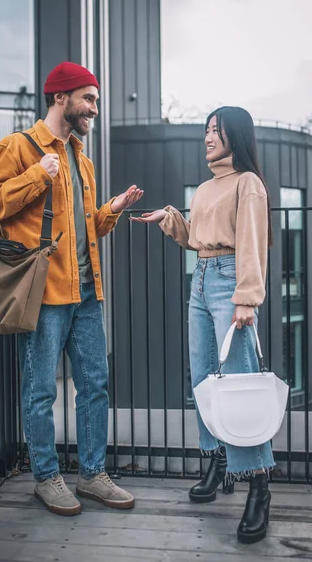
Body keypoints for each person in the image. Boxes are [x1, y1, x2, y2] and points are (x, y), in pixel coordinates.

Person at [0, 61, 143, 516]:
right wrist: (36, 176)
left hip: (86, 294)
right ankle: (47, 478)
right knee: (40, 391)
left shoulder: (82, 161)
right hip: (44, 294)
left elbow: (88, 228)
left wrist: (113, 208)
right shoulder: (18, 147)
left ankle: (91, 475)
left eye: (95, 100)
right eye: (88, 98)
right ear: (60, 98)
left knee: (95, 385)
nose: (93, 108)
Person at [131, 106, 275, 543]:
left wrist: (247, 298)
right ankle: (218, 462)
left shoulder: (248, 184)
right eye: (207, 130)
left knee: (238, 380)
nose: (209, 137)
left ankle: (259, 485)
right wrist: (170, 219)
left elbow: (251, 242)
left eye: (216, 131)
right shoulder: (210, 187)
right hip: (202, 279)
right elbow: (197, 237)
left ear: (236, 136)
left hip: (230, 281)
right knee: (204, 380)